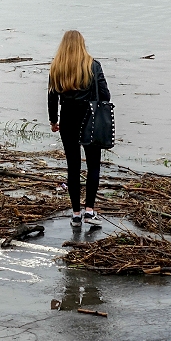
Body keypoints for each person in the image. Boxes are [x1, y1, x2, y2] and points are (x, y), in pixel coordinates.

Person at [48, 30, 110, 228]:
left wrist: (53, 120)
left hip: (67, 120)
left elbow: (51, 97)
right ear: (83, 44)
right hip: (90, 119)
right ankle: (90, 211)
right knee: (93, 165)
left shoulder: (57, 67)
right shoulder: (93, 66)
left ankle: (75, 215)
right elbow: (106, 95)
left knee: (73, 167)